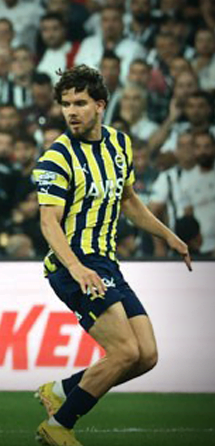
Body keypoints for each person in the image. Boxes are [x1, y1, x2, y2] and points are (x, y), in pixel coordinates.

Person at [31, 65, 191, 446]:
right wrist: (76, 267)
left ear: (100, 105)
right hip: (74, 265)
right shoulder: (56, 157)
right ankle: (58, 425)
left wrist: (168, 235)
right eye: (66, 104)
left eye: (80, 103)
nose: (71, 111)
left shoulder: (119, 144)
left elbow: (129, 200)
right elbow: (49, 223)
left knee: (146, 355)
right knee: (124, 351)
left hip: (106, 264)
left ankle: (61, 390)